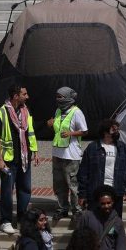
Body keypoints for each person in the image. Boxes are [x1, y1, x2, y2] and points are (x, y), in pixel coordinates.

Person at [0, 84, 39, 234]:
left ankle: (22, 218)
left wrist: (35, 151)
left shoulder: (26, 110)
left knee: (25, 189)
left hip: (24, 157)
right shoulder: (1, 113)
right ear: (15, 96)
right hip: (8, 160)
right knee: (7, 190)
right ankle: (5, 221)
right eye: (24, 94)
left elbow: (30, 132)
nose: (27, 96)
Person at [77, 119, 126, 217]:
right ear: (105, 132)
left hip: (116, 192)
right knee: (94, 222)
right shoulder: (92, 148)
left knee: (114, 223)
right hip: (96, 192)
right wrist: (82, 194)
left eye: (117, 130)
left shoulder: (123, 148)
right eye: (114, 130)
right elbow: (83, 172)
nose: (117, 132)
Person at [47, 87, 88, 221]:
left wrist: (71, 133)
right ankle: (62, 208)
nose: (58, 99)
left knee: (72, 183)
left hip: (71, 154)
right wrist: (50, 124)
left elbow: (85, 131)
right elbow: (57, 128)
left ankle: (76, 210)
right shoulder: (58, 111)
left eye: (60, 96)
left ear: (67, 98)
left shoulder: (77, 112)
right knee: (59, 183)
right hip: (58, 152)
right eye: (57, 96)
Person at [76, 185, 126, 250]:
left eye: (108, 203)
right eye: (103, 203)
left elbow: (121, 245)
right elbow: (77, 240)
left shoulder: (118, 222)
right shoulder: (86, 217)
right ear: (98, 203)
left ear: (113, 202)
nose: (106, 206)